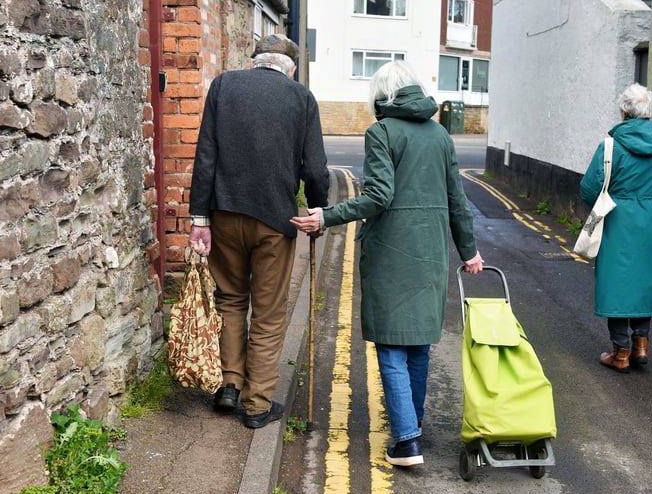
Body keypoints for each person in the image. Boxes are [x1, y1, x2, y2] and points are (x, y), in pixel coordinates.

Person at [291, 60, 483, 466]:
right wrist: (469, 251)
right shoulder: (442, 136)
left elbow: (379, 196)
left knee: (392, 343)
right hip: (430, 251)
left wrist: (326, 215)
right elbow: (457, 201)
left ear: (381, 97)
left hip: (392, 251)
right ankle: (411, 426)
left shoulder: (381, 132)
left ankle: (407, 438)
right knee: (418, 344)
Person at [188, 34, 329, 428]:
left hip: (225, 214)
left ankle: (230, 384)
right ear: (291, 68)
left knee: (230, 300)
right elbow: (315, 169)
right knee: (268, 313)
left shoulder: (224, 86)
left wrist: (199, 217)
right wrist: (319, 209)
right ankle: (257, 405)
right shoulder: (301, 98)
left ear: (254, 61)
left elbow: (206, 153)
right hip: (274, 220)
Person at [581, 83, 652, 373]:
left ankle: (620, 352)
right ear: (648, 112)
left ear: (623, 111)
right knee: (645, 282)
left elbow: (589, 189)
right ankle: (641, 344)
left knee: (617, 282)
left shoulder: (610, 147)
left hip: (618, 221)